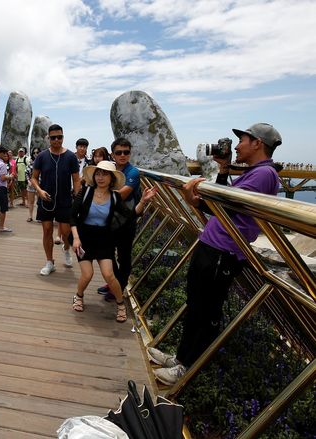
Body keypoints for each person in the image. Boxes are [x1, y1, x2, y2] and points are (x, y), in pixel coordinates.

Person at [149, 123, 282, 386]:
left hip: (224, 251)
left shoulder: (264, 173)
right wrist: (223, 170)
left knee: (205, 310)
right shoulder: (254, 172)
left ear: (257, 143)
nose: (237, 145)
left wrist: (195, 201)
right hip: (213, 246)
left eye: (243, 139)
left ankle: (188, 367)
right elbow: (226, 203)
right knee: (196, 304)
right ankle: (181, 358)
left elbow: (228, 205)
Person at [69, 161, 156, 322]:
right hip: (83, 238)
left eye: (105, 174)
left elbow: (129, 216)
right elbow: (72, 216)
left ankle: (120, 304)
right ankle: (78, 296)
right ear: (94, 176)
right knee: (88, 274)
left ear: (112, 178)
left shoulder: (115, 197)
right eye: (98, 174)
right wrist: (75, 238)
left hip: (104, 239)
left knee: (109, 274)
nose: (100, 177)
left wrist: (143, 201)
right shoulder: (86, 192)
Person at [30, 124, 81, 275]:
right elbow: (33, 177)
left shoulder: (71, 156)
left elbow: (76, 180)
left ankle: (66, 249)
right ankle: (49, 261)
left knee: (65, 232)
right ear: (49, 138)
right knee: (47, 231)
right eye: (53, 137)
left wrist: (77, 199)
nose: (57, 140)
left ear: (63, 137)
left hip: (65, 200)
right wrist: (39, 191)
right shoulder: (42, 156)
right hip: (46, 200)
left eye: (60, 137)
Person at [97, 138, 140, 300]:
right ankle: (114, 283)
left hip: (126, 220)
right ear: (112, 154)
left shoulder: (133, 172)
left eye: (126, 152)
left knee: (123, 256)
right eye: (119, 152)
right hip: (109, 220)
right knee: (107, 253)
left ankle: (119, 288)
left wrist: (100, 194)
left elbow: (123, 194)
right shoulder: (110, 170)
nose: (123, 155)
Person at [25, 147, 41, 222]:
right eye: (34, 153)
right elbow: (27, 173)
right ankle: (30, 216)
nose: (35, 154)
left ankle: (39, 217)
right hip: (31, 184)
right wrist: (28, 181)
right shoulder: (30, 162)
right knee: (31, 201)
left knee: (39, 201)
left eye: (37, 152)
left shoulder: (43, 162)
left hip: (40, 184)